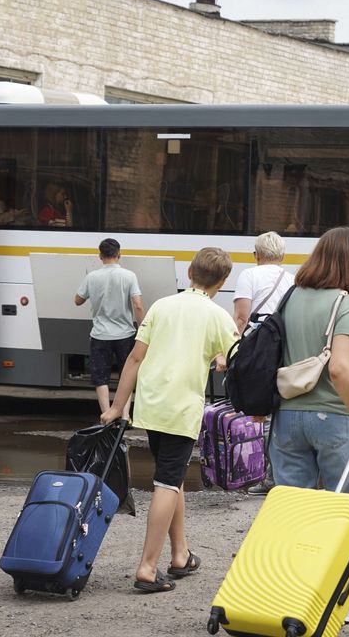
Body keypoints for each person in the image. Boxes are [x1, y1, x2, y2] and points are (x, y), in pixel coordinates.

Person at [100, 247, 237, 593]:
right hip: (181, 409)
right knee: (165, 484)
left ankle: (180, 555)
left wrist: (118, 407)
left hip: (152, 405)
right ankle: (147, 568)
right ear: (222, 282)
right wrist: (222, 359)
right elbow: (239, 359)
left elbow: (134, 358)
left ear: (189, 272)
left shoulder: (162, 306)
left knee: (171, 478)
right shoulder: (217, 315)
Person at [270, 226, 349, 626]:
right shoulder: (347, 304)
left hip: (287, 416)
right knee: (341, 514)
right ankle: (338, 600)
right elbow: (339, 367)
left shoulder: (291, 298)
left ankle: (288, 593)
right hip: (333, 420)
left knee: (291, 512)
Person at [232, 231, 295, 496]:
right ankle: (276, 473)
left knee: (258, 405)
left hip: (259, 348)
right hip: (284, 346)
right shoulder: (292, 279)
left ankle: (261, 473)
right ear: (281, 255)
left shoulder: (249, 275)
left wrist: (232, 351)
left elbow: (241, 317)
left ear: (256, 255)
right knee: (277, 403)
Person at [75, 238, 144, 414]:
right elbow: (137, 304)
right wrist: (141, 326)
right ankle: (125, 415)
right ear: (119, 254)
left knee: (101, 377)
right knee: (126, 375)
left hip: (100, 335)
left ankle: (106, 414)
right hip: (125, 334)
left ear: (100, 256)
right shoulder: (129, 276)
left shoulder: (92, 277)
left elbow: (77, 301)